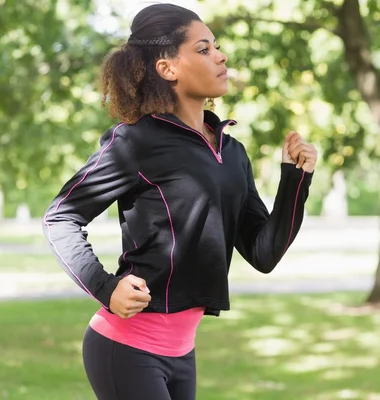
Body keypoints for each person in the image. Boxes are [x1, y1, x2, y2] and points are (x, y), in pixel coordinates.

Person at [42, 3, 317, 400]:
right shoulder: (135, 141)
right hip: (125, 347)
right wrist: (105, 288)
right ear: (167, 68)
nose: (221, 56)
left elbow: (264, 252)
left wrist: (296, 179)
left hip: (181, 353)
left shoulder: (232, 152)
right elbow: (60, 217)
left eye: (217, 47)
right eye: (203, 49)